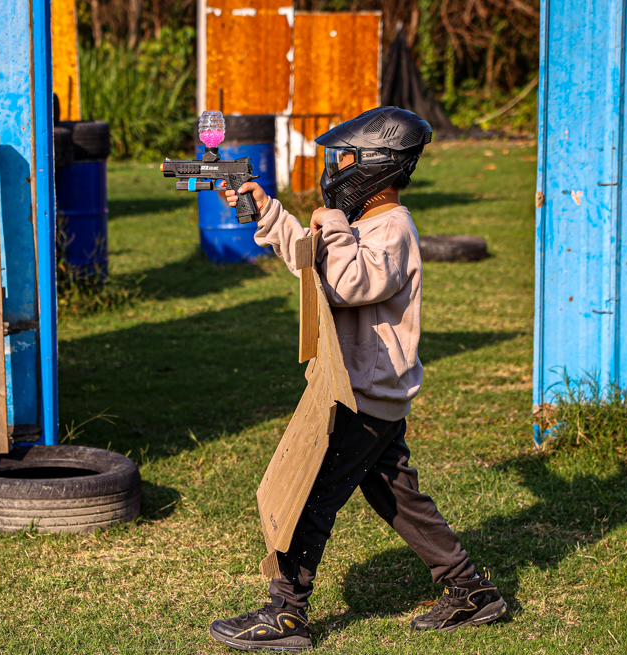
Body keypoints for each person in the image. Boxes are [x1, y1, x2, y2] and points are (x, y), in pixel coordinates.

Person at [208, 107, 506, 652]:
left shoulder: (391, 229)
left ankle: (287, 614)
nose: (335, 167)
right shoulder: (365, 225)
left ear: (374, 165)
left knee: (306, 498)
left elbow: (346, 283)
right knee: (399, 498)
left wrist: (334, 226)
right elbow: (312, 261)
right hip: (369, 392)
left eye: (343, 157)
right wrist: (268, 212)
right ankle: (469, 589)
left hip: (363, 398)